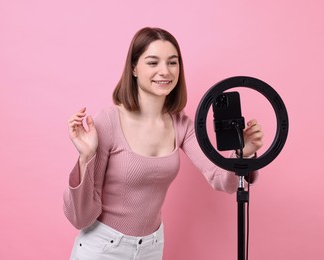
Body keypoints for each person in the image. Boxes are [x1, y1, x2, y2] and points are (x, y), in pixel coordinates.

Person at [63, 27, 263, 260]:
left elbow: (222, 180)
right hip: (103, 248)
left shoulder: (181, 125)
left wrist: (244, 153)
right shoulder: (107, 122)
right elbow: (81, 217)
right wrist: (85, 157)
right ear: (134, 68)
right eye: (152, 62)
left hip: (151, 247)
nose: (164, 71)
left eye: (172, 62)